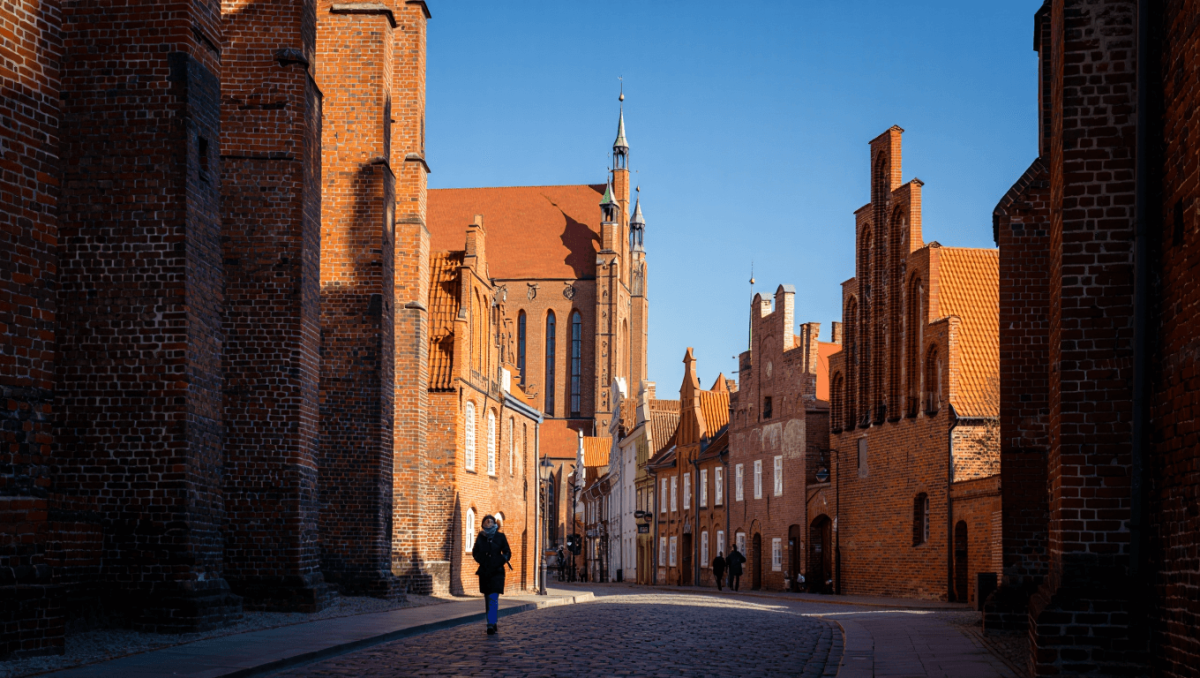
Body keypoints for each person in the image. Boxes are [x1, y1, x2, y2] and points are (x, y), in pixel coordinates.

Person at [471, 514, 511, 635]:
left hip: (497, 572)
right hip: (485, 572)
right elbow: (475, 552)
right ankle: (492, 621)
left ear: (494, 524)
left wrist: (500, 560)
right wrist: (482, 560)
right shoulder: (481, 537)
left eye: (490, 522)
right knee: (487, 599)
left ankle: (491, 624)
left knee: (493, 598)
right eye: (486, 523)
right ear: (483, 524)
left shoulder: (500, 536)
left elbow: (507, 552)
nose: (488, 524)